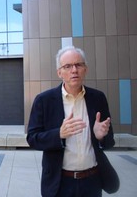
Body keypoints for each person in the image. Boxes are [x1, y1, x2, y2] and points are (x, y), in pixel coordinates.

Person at [26, 46, 116, 197]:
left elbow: (109, 141)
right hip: (60, 182)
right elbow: (32, 138)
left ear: (85, 69)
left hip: (92, 181)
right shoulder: (44, 100)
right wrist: (59, 134)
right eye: (67, 66)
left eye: (78, 65)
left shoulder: (98, 98)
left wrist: (101, 136)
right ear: (59, 73)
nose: (74, 70)